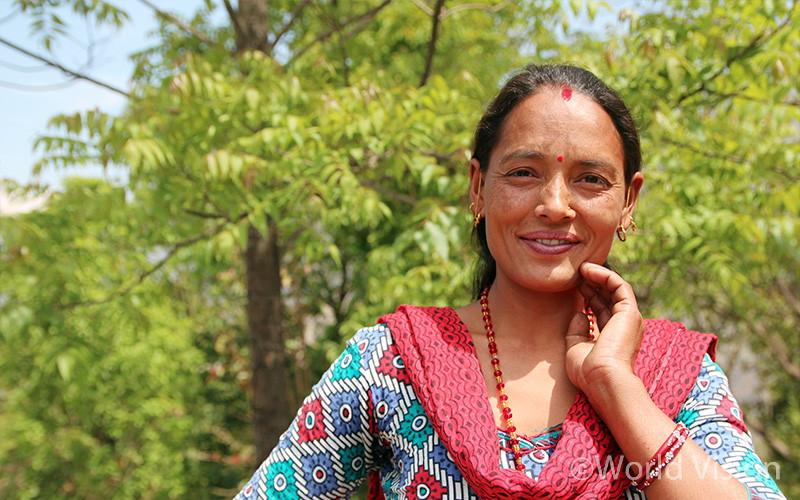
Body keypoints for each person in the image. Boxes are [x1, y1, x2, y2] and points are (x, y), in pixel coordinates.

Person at [233, 64, 785, 500]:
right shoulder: (394, 363)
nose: (554, 206)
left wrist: (617, 389)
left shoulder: (676, 375)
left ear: (628, 201)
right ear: (477, 186)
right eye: (523, 173)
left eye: (590, 180)